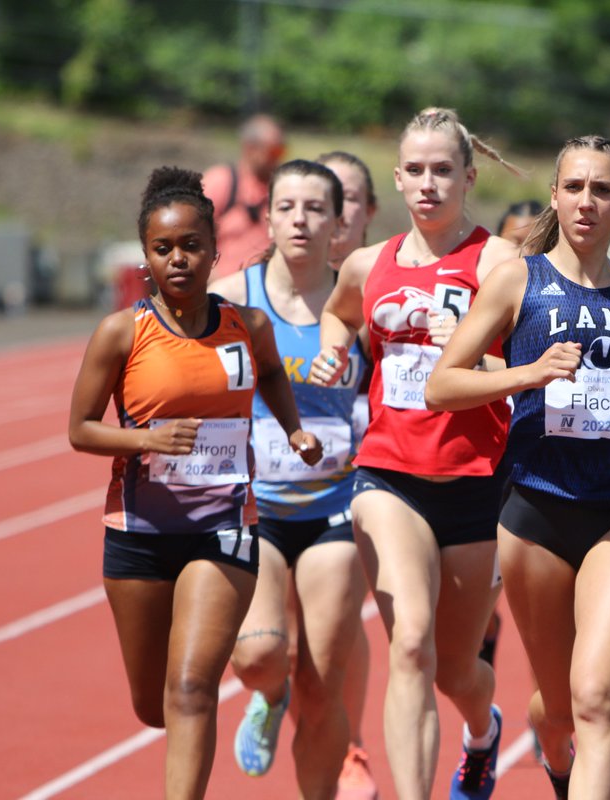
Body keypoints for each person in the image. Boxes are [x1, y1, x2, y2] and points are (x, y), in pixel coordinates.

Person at [425, 134, 610, 800]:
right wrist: (528, 374)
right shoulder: (517, 280)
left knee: (597, 699)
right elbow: (441, 385)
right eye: (573, 187)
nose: (586, 202)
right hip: (535, 511)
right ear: (556, 196)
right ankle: (553, 755)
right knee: (559, 708)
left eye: (600, 190)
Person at [67, 165, 321, 799]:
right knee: (154, 705)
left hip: (225, 527)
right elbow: (79, 429)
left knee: (191, 688)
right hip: (141, 532)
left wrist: (294, 431)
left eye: (191, 246)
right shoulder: (123, 332)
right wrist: (144, 439)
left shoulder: (247, 326)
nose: (177, 259)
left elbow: (269, 376)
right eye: (162, 248)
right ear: (147, 256)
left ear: (213, 249)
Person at [310, 107, 521, 800]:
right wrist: (334, 349)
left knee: (455, 669)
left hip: (478, 480)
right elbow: (338, 312)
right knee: (409, 645)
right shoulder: (370, 264)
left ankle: (483, 730)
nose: (428, 184)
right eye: (416, 171)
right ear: (397, 179)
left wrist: (465, 350)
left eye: (442, 171)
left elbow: (529, 366)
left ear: (469, 175)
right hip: (388, 475)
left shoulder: (500, 263)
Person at [206, 159, 370, 799]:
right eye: (288, 207)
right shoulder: (233, 299)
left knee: (326, 684)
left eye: (316, 209)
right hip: (256, 508)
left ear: (338, 223)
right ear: (268, 217)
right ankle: (268, 695)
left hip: (335, 507)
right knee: (258, 654)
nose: (300, 219)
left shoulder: (357, 302)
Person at [317, 148, 383, 799]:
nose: (336, 210)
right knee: (281, 641)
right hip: (287, 482)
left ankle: (354, 746)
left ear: (367, 211)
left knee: (341, 619)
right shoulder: (273, 283)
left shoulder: (390, 280)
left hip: (366, 472)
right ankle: (271, 684)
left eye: (349, 197)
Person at [204, 114, 287, 278]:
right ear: (249, 148)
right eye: (274, 151)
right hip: (223, 295)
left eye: (282, 151)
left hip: (271, 295)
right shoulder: (221, 182)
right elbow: (191, 238)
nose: (279, 158)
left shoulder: (284, 187)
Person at [319, 151, 380, 272]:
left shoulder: (386, 279)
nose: (338, 207)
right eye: (328, 195)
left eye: (349, 198)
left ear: (370, 211)